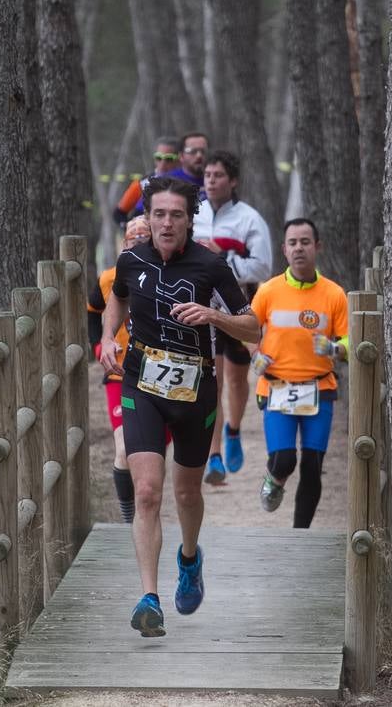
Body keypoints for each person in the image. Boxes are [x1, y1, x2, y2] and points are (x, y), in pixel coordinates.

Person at [99, 175, 259, 637]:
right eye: (159, 214)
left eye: (176, 215)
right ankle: (149, 597)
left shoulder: (210, 266)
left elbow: (252, 328)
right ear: (146, 217)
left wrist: (213, 315)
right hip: (141, 382)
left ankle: (189, 556)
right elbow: (118, 299)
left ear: (190, 220)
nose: (167, 223)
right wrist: (110, 336)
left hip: (195, 391)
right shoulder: (131, 258)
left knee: (187, 493)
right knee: (146, 490)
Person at [250, 218, 348, 527]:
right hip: (276, 386)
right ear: (284, 249)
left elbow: (348, 339)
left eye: (305, 242)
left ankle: (300, 533)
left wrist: (334, 349)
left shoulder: (334, 294)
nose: (299, 248)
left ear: (317, 247)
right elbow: (247, 330)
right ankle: (275, 479)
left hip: (319, 388)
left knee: (311, 464)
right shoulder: (268, 291)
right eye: (292, 243)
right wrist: (256, 357)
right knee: (284, 460)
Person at [193, 150, 272, 484]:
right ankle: (214, 456)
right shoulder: (191, 214)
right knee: (212, 380)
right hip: (203, 308)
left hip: (239, 308)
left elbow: (263, 266)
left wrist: (220, 258)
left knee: (237, 381)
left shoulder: (249, 219)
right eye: (207, 175)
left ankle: (234, 430)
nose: (211, 181)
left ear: (233, 181)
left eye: (218, 175)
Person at [88, 216, 171, 523]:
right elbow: (92, 311)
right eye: (130, 240)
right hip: (120, 374)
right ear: (123, 244)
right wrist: (99, 345)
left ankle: (148, 510)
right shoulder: (109, 278)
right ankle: (129, 518)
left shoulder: (168, 275)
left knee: (153, 453)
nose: (136, 245)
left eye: (142, 240)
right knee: (124, 446)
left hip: (162, 375)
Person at [112, 136, 180, 226]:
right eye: (159, 158)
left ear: (179, 159)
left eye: (169, 159)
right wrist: (129, 228)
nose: (162, 163)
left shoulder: (187, 182)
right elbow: (118, 213)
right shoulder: (142, 183)